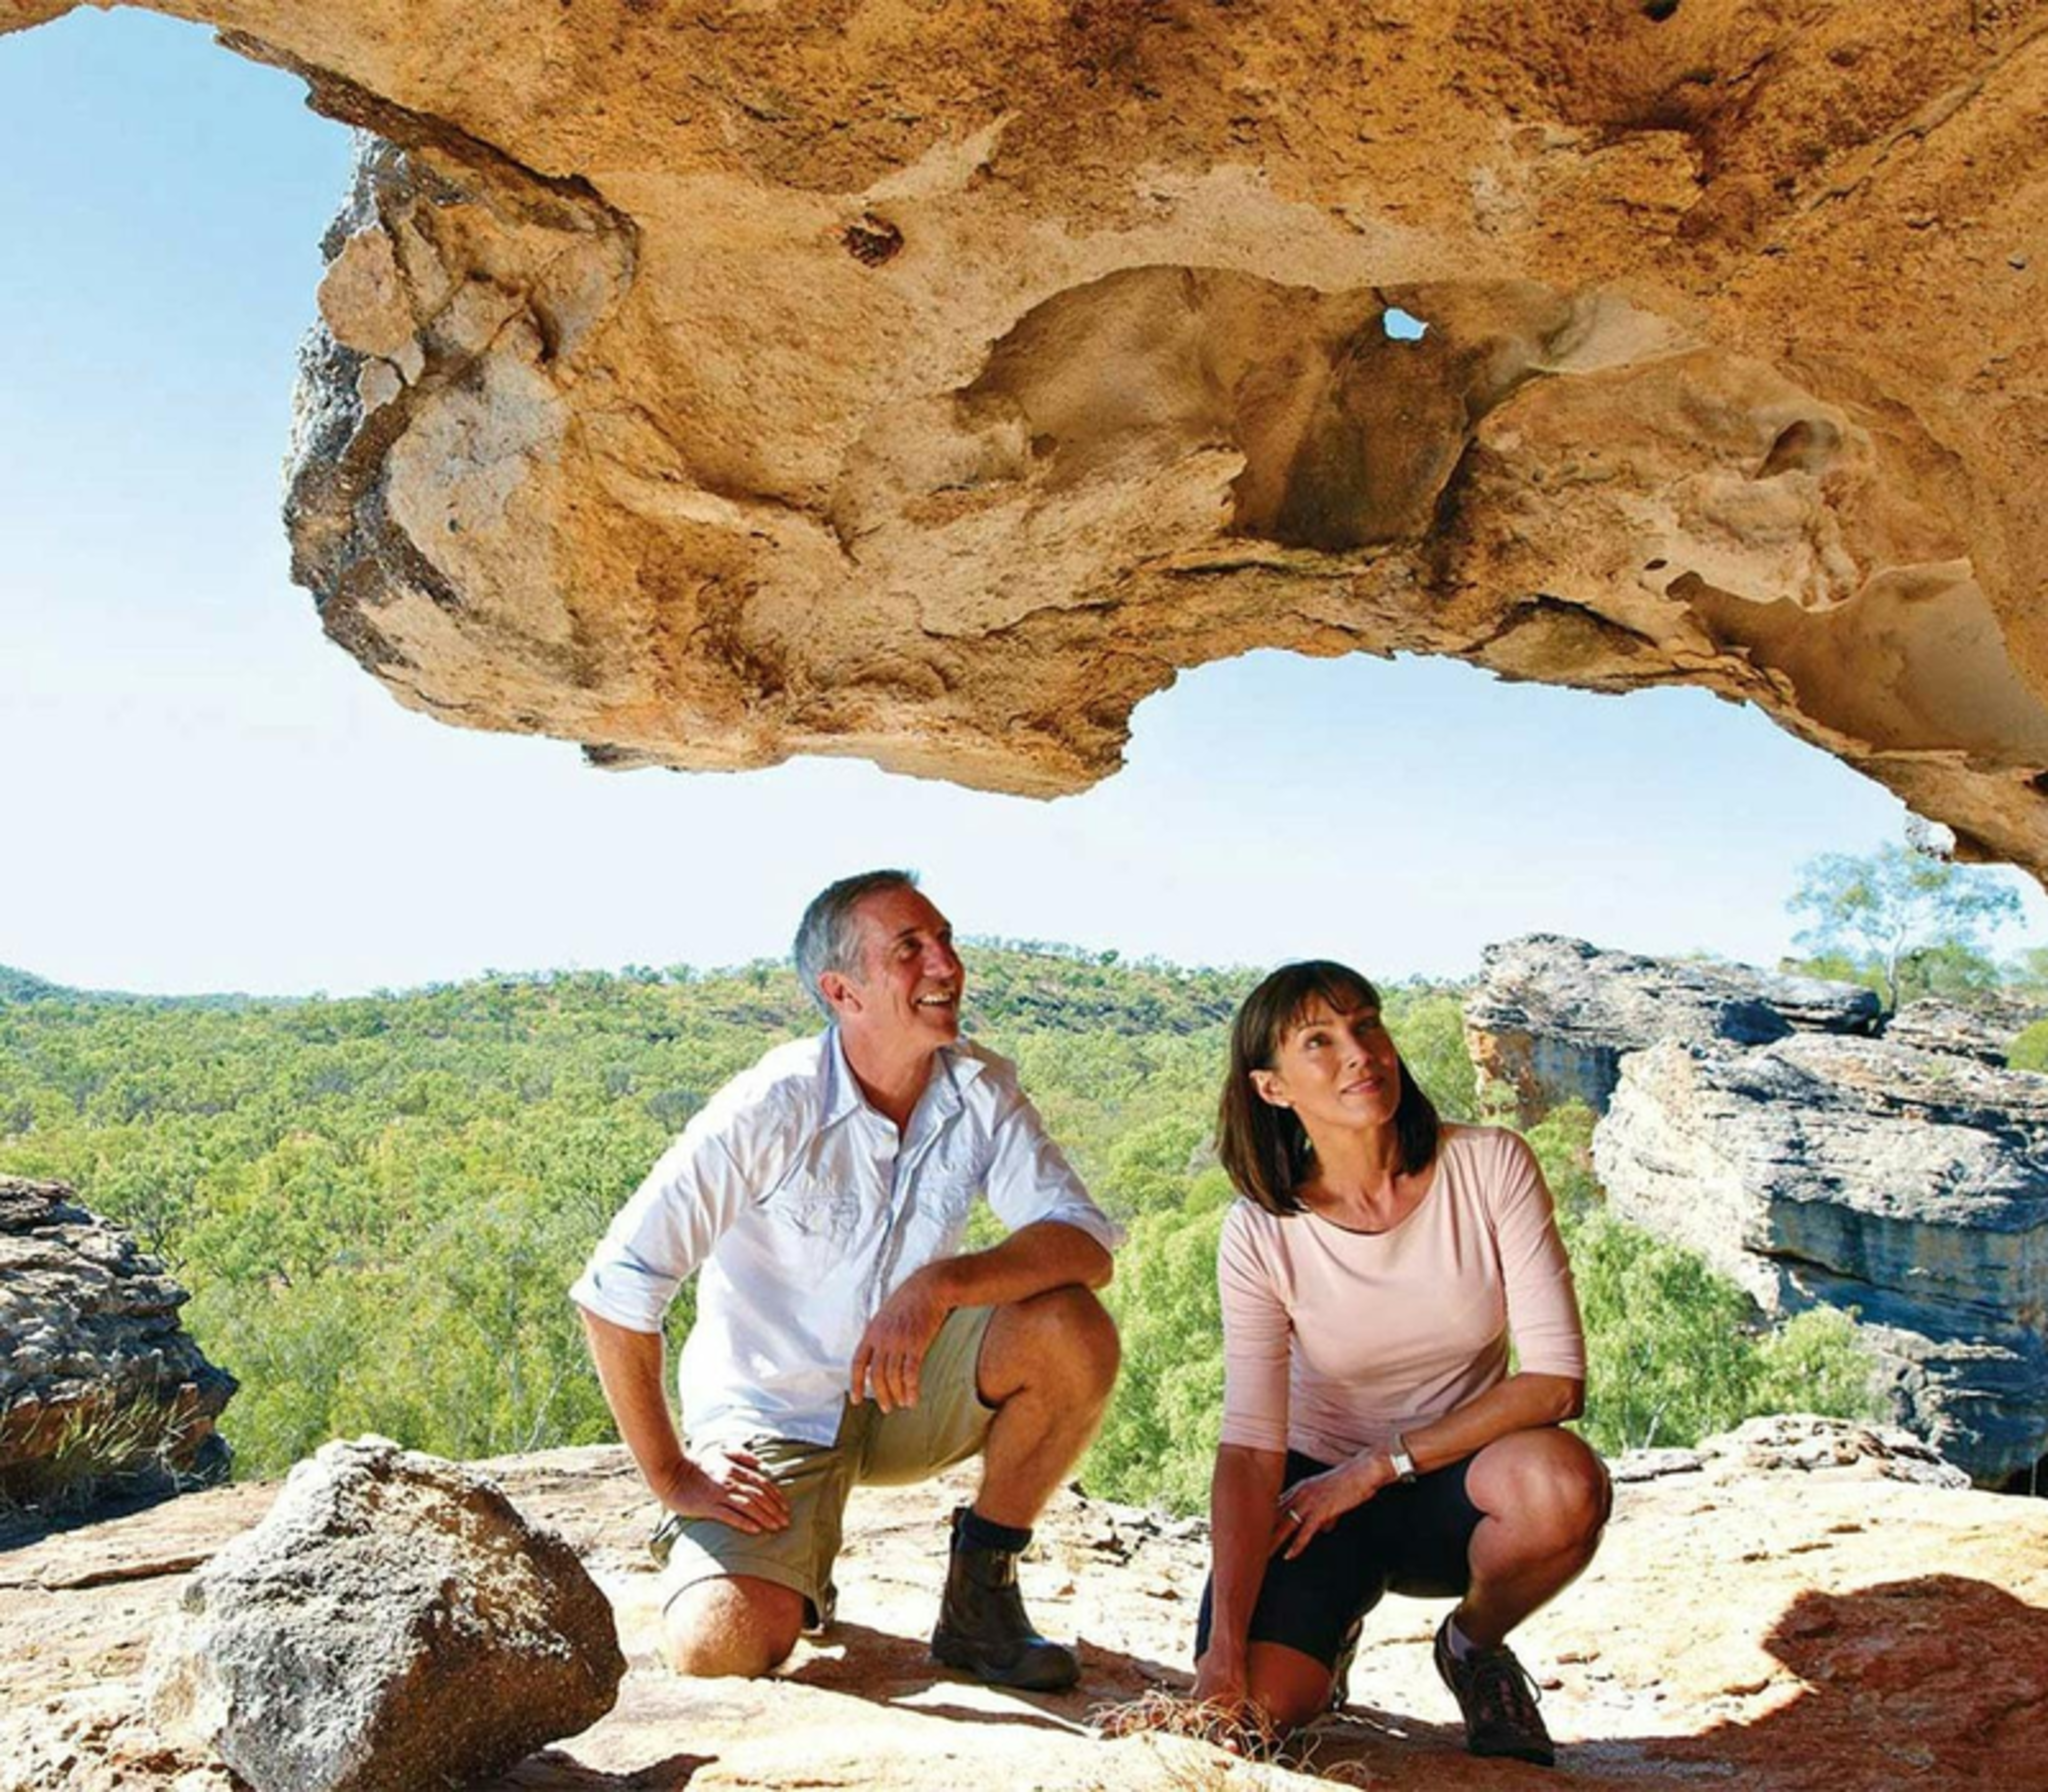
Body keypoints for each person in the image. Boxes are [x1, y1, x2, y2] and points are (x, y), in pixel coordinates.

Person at [572, 870, 1122, 1690]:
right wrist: (673, 1474)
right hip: (776, 1409)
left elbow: (1084, 1245)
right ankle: (773, 1562)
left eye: (945, 941)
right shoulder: (771, 1105)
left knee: (1071, 1329)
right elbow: (617, 1288)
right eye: (909, 950)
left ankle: (981, 1596)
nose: (946, 965)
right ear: (842, 991)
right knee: (718, 1650)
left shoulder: (980, 1089)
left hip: (907, 1387)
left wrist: (937, 1286)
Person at [1191, 960, 1609, 1766]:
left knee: (1563, 1485)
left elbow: (1556, 1381)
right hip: (1314, 1500)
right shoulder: (1259, 1232)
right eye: (1320, 1040)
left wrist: (1377, 1467)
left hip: (1457, 1483)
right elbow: (1248, 1448)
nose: (1360, 1051)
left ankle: (1473, 1646)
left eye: (1367, 1023)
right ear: (1273, 1089)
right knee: (1259, 1716)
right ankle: (1328, 1633)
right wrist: (1224, 1650)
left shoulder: (1489, 1166)